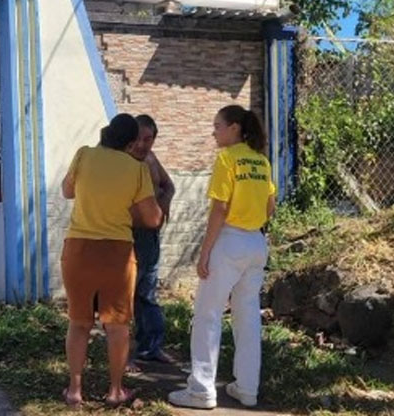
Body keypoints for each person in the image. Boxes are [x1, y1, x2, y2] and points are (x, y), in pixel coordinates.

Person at [168, 105, 275, 410]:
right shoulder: (260, 160)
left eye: (217, 126)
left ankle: (201, 391)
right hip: (256, 242)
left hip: (229, 241)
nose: (213, 131)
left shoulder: (226, 159)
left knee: (207, 315)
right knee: (247, 318)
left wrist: (205, 252)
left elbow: (219, 209)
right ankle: (247, 388)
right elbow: (270, 206)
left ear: (234, 128)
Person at [60, 114, 163, 408]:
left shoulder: (84, 154)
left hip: (78, 249)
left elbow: (67, 191)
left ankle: (74, 391)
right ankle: (116, 391)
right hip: (117, 253)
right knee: (117, 326)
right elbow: (153, 218)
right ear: (131, 143)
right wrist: (123, 208)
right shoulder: (137, 168)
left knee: (79, 323)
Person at [126, 115, 176, 369]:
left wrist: (162, 206)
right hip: (126, 235)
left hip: (150, 236)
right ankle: (122, 356)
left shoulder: (152, 160)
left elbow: (169, 186)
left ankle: (151, 347)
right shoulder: (122, 162)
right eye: (137, 138)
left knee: (147, 292)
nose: (141, 144)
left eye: (148, 139)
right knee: (124, 295)